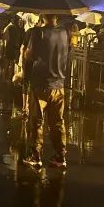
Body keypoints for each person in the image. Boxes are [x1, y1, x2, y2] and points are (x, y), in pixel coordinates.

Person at [21, 14, 69, 169]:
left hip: (40, 84)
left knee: (36, 120)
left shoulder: (37, 33)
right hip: (59, 84)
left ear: (42, 16)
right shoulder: (64, 33)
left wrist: (25, 76)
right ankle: (60, 156)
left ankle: (35, 155)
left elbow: (30, 56)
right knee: (57, 122)